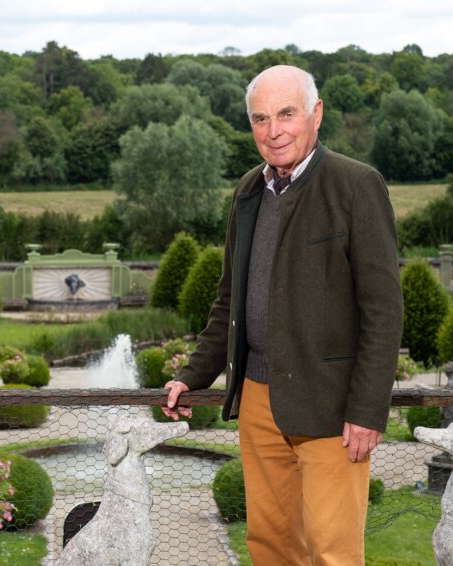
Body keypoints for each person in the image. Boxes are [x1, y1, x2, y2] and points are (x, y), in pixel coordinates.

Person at [163, 65, 403, 565]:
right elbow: (230, 298)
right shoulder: (249, 191)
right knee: (270, 547)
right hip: (257, 401)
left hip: (330, 408)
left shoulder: (356, 185)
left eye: (286, 114)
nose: (273, 131)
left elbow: (383, 310)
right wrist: (194, 375)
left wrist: (366, 409)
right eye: (260, 119)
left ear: (315, 114)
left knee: (331, 551)